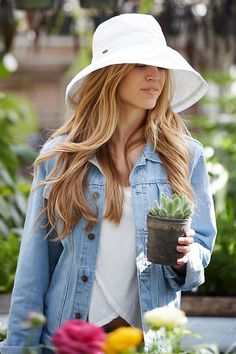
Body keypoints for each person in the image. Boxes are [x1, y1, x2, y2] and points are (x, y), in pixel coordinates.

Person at [0, 13, 216, 354]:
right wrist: (18, 347)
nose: (154, 75)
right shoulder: (62, 156)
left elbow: (202, 247)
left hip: (148, 341)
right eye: (140, 64)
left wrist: (186, 257)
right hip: (73, 339)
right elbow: (35, 264)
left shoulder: (186, 155)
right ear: (110, 74)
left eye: (160, 66)